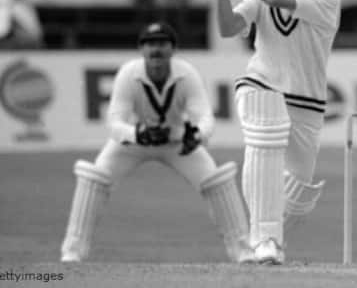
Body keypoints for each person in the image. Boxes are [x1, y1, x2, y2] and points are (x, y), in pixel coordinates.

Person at [198, 0, 341, 264]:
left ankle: (256, 239)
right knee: (264, 141)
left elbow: (277, 0)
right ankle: (267, 240)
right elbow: (229, 28)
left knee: (298, 195)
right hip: (259, 84)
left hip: (306, 101)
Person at [60, 22, 253, 263]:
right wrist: (137, 134)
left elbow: (204, 117)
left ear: (173, 49)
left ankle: (243, 251)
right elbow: (114, 122)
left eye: (162, 44)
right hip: (135, 141)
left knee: (217, 181)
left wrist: (197, 136)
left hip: (176, 140)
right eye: (150, 44)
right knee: (94, 178)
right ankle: (73, 251)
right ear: (142, 50)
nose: (156, 51)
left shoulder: (186, 74)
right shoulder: (129, 74)